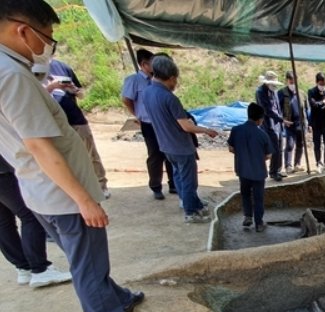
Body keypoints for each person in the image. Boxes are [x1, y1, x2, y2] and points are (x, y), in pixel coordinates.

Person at [0, 1, 155, 312]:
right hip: (61, 194)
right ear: (22, 30)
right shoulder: (11, 76)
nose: (48, 47)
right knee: (87, 261)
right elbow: (41, 146)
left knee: (84, 255)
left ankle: (117, 297)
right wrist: (85, 200)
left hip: (39, 190)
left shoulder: (11, 70)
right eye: (47, 37)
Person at [142, 54, 219, 223]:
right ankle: (191, 212)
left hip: (165, 145)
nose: (175, 84)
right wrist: (207, 130)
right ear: (170, 78)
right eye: (175, 80)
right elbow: (186, 126)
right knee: (188, 180)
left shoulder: (147, 92)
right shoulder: (170, 98)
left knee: (178, 176)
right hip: (181, 147)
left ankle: (191, 203)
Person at [0, 155, 71, 287]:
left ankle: (23, 268)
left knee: (3, 222)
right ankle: (40, 269)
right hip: (4, 172)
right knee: (30, 216)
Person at [47, 58, 110, 199]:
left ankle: (101, 186)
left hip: (76, 119)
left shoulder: (62, 66)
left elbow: (81, 93)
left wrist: (73, 90)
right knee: (65, 157)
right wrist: (52, 87)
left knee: (91, 154)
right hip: (53, 122)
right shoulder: (30, 69)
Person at [121, 48, 176, 200]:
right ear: (144, 64)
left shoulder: (157, 79)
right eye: (153, 63)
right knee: (155, 155)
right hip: (148, 123)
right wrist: (137, 114)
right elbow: (126, 100)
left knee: (169, 152)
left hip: (164, 122)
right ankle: (156, 187)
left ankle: (173, 184)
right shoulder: (134, 80)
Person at [227, 103, 271, 232]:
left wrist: (242, 154)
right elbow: (268, 155)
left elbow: (231, 148)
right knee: (258, 198)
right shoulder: (263, 135)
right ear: (260, 119)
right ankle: (259, 223)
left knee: (245, 194)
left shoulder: (235, 130)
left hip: (242, 170)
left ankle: (247, 216)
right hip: (258, 172)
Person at [255, 70, 285, 181]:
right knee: (274, 149)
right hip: (268, 124)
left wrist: (281, 121)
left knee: (280, 147)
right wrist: (281, 119)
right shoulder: (260, 92)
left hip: (277, 124)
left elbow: (277, 107)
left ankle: (277, 169)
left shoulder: (274, 91)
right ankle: (272, 172)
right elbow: (267, 110)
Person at [307, 72, 325, 173]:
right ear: (317, 82)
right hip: (316, 123)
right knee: (317, 144)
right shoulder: (311, 92)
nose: (323, 86)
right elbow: (313, 106)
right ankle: (319, 163)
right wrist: (323, 103)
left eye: (324, 84)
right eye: (321, 84)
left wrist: (322, 105)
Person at [279, 71, 304, 174]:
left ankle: (297, 164)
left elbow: (306, 109)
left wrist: (308, 123)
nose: (293, 83)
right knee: (289, 144)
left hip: (300, 124)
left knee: (300, 144)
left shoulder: (301, 93)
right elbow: (278, 108)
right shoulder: (282, 93)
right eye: (291, 80)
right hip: (289, 123)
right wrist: (282, 120)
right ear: (287, 80)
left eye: (294, 81)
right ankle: (288, 165)